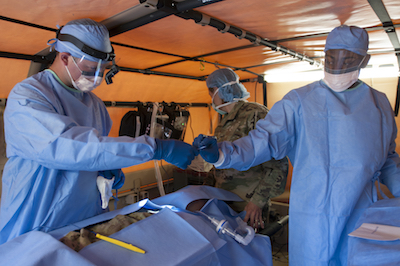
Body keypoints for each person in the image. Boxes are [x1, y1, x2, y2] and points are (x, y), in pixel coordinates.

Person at [193, 25, 400, 265]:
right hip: (313, 218)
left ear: (364, 61)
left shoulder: (379, 105)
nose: (338, 66)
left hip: (360, 212)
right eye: (332, 58)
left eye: (348, 59)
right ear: (324, 56)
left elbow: (388, 158)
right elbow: (262, 141)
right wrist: (221, 153)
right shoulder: (299, 102)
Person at [0, 18, 197, 245]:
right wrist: (156, 148)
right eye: (90, 70)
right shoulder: (29, 96)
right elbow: (68, 146)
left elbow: (98, 149)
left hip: (83, 217)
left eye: (103, 71)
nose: (96, 79)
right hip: (37, 217)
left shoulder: (95, 104)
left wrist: (106, 167)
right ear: (64, 57)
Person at [202, 68, 288, 231]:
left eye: (211, 92)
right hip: (225, 205)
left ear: (220, 90)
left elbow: (278, 163)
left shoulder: (256, 114)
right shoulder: (224, 123)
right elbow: (220, 164)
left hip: (249, 206)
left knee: (252, 251)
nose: (211, 98)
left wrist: (257, 202)